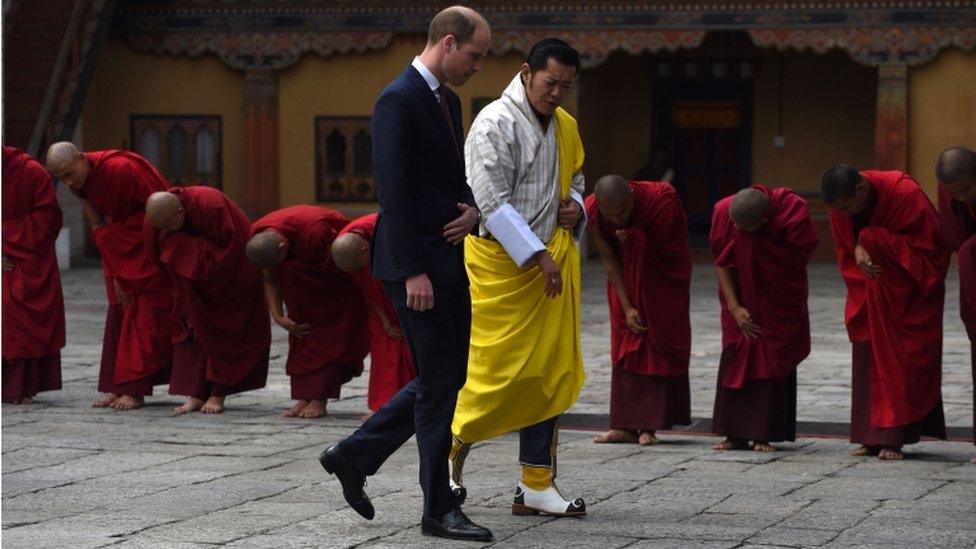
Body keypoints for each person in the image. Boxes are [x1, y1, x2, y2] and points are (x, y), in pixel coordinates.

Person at [316, 6, 493, 542]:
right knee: (440, 386)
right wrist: (414, 272)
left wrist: (471, 209)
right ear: (446, 42)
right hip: (416, 266)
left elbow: (447, 177)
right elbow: (392, 190)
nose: (477, 67)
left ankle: (353, 455)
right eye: (475, 55)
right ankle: (437, 508)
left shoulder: (448, 100)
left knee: (447, 379)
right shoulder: (398, 99)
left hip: (449, 255)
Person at [449, 37, 587, 518]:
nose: (556, 94)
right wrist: (536, 256)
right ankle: (449, 461)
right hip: (503, 269)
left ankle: (537, 483)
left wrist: (576, 206)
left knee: (545, 375)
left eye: (565, 86)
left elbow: (577, 177)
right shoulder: (494, 122)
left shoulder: (565, 124)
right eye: (551, 83)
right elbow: (491, 202)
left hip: (550, 263)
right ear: (527, 73)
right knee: (489, 376)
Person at [821, 164, 948, 460]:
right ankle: (870, 436)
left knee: (900, 360)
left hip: (904, 292)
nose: (846, 214)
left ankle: (895, 437)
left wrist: (871, 238)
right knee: (867, 357)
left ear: (861, 189)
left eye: (849, 207)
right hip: (868, 289)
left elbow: (933, 249)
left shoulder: (904, 193)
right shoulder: (842, 207)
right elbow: (845, 243)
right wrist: (858, 247)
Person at [45, 142, 174, 410]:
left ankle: (136, 389)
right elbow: (96, 222)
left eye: (70, 173)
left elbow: (157, 211)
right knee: (119, 307)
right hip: (118, 243)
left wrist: (125, 257)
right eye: (62, 178)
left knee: (142, 310)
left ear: (82, 157)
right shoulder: (79, 180)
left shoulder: (120, 169)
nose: (69, 182)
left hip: (142, 240)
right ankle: (118, 386)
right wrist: (115, 267)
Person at [709, 185, 818, 452]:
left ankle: (763, 434)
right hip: (740, 299)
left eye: (746, 229)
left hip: (776, 303)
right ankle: (733, 434)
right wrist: (735, 308)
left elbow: (794, 262)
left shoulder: (793, 213)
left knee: (771, 361)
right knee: (737, 354)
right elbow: (721, 263)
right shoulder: (725, 211)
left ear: (764, 222)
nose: (739, 232)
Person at [586, 175, 692, 446]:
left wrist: (634, 240)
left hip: (659, 284)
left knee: (654, 346)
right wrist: (627, 305)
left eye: (622, 211)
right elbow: (609, 260)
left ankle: (649, 427)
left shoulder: (662, 202)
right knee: (625, 347)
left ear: (632, 196)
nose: (617, 219)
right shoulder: (595, 213)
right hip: (625, 284)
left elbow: (671, 252)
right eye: (611, 214)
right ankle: (622, 425)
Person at [143, 187, 270, 414]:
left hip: (228, 280)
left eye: (168, 226)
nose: (164, 231)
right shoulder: (157, 219)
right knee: (192, 332)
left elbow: (232, 252)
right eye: (159, 227)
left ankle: (218, 393)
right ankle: (196, 393)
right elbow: (157, 257)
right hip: (188, 281)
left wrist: (182, 250)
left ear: (180, 212)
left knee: (223, 331)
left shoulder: (211, 205)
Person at [247, 205, 370, 419]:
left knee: (330, 340)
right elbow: (270, 278)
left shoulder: (316, 231)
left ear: (283, 247)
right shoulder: (260, 237)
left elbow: (343, 264)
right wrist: (278, 315)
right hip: (300, 296)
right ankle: (304, 396)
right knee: (303, 337)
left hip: (334, 292)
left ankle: (319, 398)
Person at [332, 213, 416, 413]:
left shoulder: (389, 232)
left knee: (415, 353)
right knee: (383, 349)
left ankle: (413, 406)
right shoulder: (347, 245)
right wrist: (383, 318)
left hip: (407, 294)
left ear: (365, 249)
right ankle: (384, 406)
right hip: (380, 305)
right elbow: (365, 287)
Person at [2, 146, 65, 404]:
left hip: (27, 258)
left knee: (17, 313)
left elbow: (48, 220)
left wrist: (5, 240)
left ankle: (19, 386)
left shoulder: (30, 172)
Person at [935, 146, 976, 464]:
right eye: (955, 193)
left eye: (967, 189)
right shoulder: (950, 191)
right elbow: (955, 237)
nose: (962, 197)